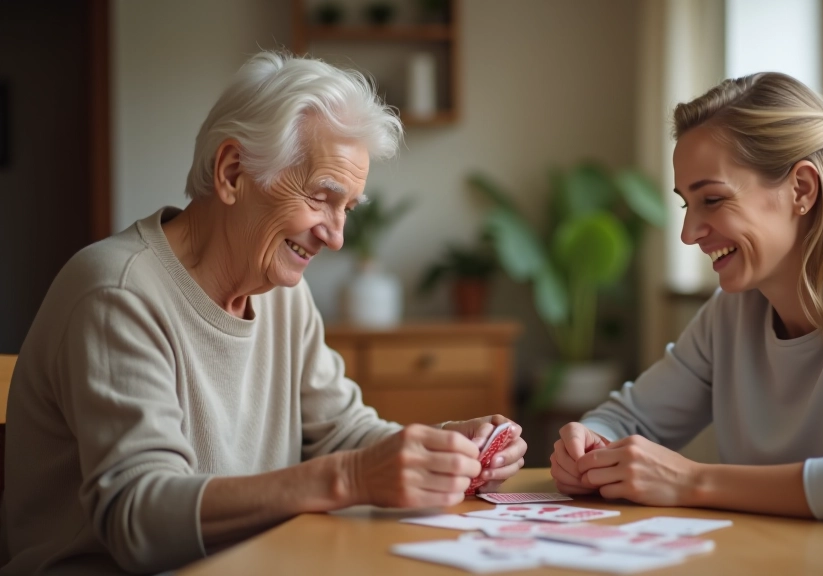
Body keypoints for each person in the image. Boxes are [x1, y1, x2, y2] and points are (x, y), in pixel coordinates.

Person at [0, 52, 526, 575]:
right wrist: (347, 478)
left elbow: (343, 434)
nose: (337, 236)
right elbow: (139, 522)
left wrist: (447, 444)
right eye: (322, 198)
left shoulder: (282, 293)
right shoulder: (118, 293)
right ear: (232, 173)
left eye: (348, 209)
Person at [549, 72, 823, 535]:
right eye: (686, 205)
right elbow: (627, 419)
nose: (689, 233)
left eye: (713, 199)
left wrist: (692, 480)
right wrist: (590, 446)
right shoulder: (732, 313)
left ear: (801, 189)